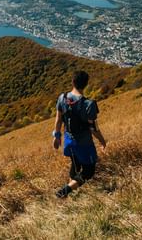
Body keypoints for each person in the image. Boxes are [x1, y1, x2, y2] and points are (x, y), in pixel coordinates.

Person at [52, 70, 106, 198]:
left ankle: (69, 195)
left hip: (69, 141)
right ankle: (64, 191)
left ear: (72, 82)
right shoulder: (89, 105)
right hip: (84, 143)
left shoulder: (62, 98)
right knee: (89, 171)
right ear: (86, 84)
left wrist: (57, 136)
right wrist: (102, 141)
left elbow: (58, 119)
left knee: (75, 165)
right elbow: (94, 128)